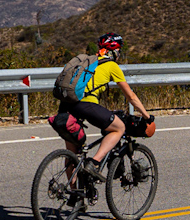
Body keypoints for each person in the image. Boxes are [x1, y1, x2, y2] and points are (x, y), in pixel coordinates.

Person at [58, 33, 149, 181]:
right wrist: (146, 116)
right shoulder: (111, 65)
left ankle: (75, 197)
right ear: (115, 51)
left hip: (65, 106)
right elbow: (131, 97)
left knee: (72, 154)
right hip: (85, 105)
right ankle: (94, 163)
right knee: (119, 128)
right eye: (119, 50)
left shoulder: (88, 62)